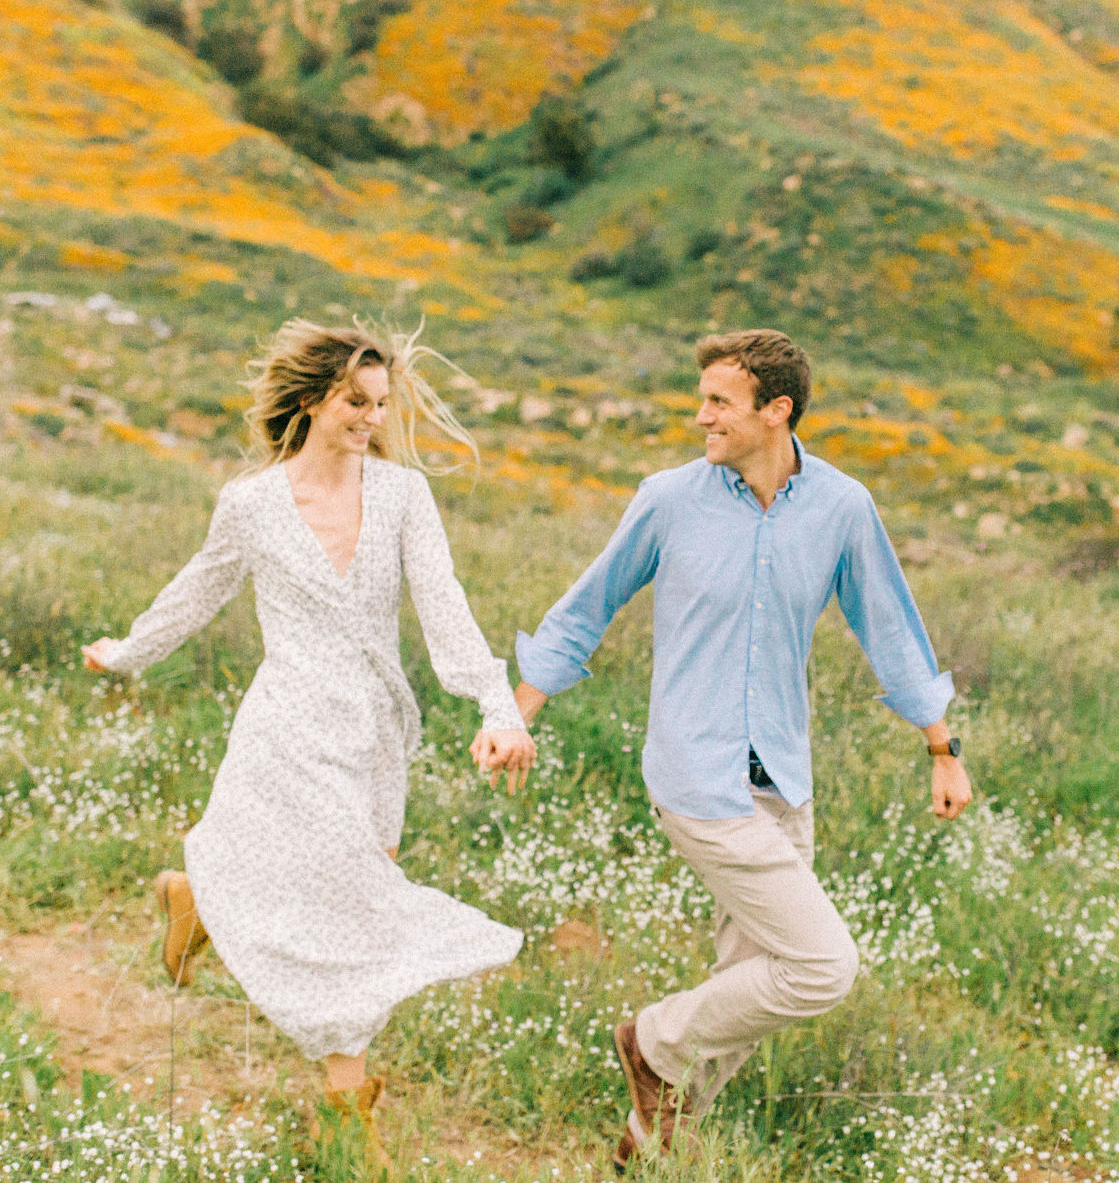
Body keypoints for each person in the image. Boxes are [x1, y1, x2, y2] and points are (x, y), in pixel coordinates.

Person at [512, 329, 973, 1168]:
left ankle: (649, 1151)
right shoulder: (669, 499)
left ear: (776, 410)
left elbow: (891, 629)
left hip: (782, 778)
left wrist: (942, 747)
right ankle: (652, 1042)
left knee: (751, 981)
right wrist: (518, 715)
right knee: (822, 965)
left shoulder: (841, 508)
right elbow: (587, 606)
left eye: (719, 402)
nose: (701, 417)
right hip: (695, 775)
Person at [81, 319, 536, 1167]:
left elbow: (445, 606)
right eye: (355, 402)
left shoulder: (402, 495)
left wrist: (496, 707)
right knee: (351, 910)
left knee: (353, 887)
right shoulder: (251, 504)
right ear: (313, 399)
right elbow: (197, 590)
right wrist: (127, 651)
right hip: (286, 726)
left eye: (380, 405)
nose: (372, 418)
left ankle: (192, 899)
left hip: (375, 734)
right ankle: (346, 1123)